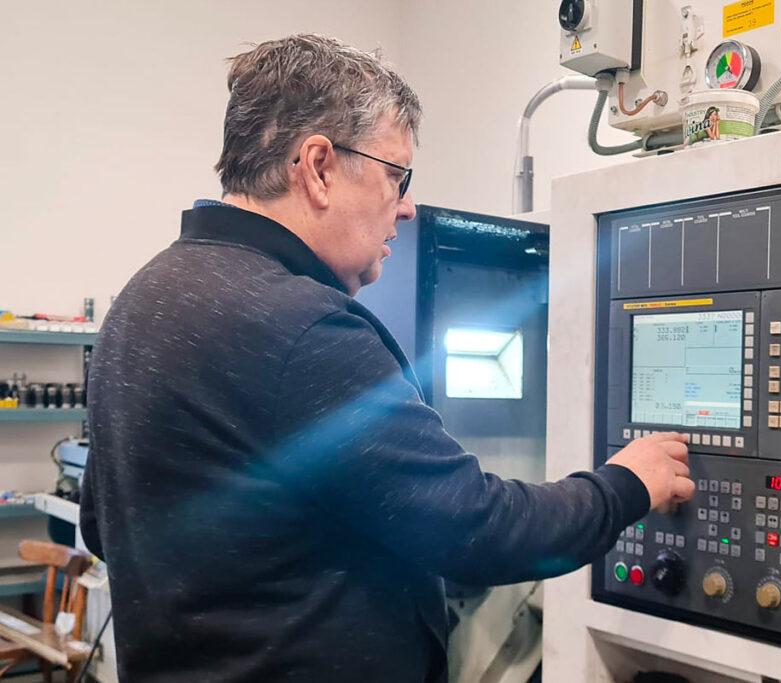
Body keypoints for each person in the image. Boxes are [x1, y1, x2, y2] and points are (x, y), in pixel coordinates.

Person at [80, 34, 695, 683]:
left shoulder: (144, 298)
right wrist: (627, 483)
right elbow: (477, 532)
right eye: (396, 176)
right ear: (318, 166)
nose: (405, 207)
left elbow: (103, 525)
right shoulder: (301, 326)